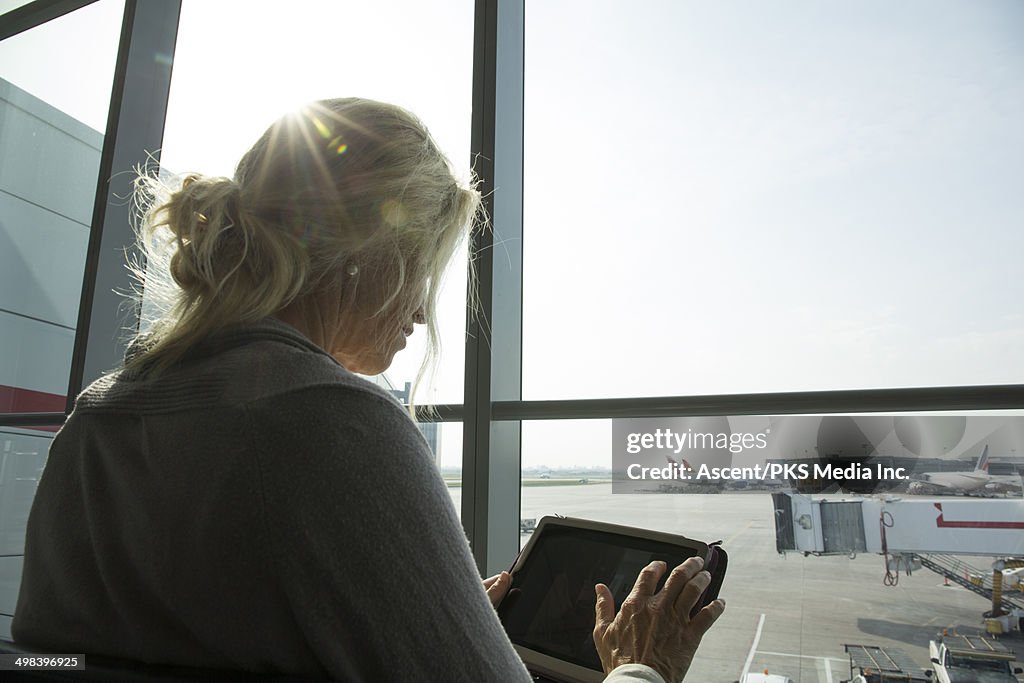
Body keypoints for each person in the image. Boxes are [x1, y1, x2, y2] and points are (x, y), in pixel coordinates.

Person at [12, 98, 724, 681]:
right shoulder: (331, 420)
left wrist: (425, 615)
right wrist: (642, 668)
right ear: (366, 257)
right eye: (420, 269)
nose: (419, 310)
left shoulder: (94, 420)